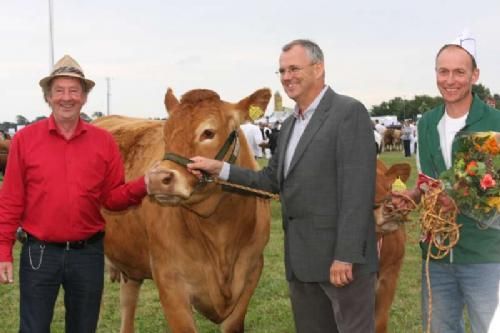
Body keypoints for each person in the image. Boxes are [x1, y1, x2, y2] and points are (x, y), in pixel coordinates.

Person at [187, 39, 378, 333]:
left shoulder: (347, 113)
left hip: (340, 264)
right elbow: (269, 181)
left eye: (294, 68)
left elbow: (357, 192)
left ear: (318, 68)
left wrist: (346, 255)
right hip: (302, 262)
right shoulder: (290, 125)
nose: (287, 77)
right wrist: (220, 169)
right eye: (282, 71)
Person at [0, 55, 152, 333]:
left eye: (74, 91)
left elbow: (112, 199)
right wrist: (3, 251)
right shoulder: (24, 140)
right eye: (59, 91)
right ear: (48, 97)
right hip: (39, 253)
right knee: (33, 328)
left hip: (88, 254)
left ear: (84, 97)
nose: (66, 97)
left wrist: (145, 184)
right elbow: (11, 200)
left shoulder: (103, 142)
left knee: (83, 329)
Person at [394, 42, 500, 333]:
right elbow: (426, 180)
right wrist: (413, 195)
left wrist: (461, 200)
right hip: (437, 255)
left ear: (474, 75)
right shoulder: (427, 123)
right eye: (443, 72)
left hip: (487, 255)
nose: (450, 80)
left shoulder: (496, 123)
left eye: (459, 72)